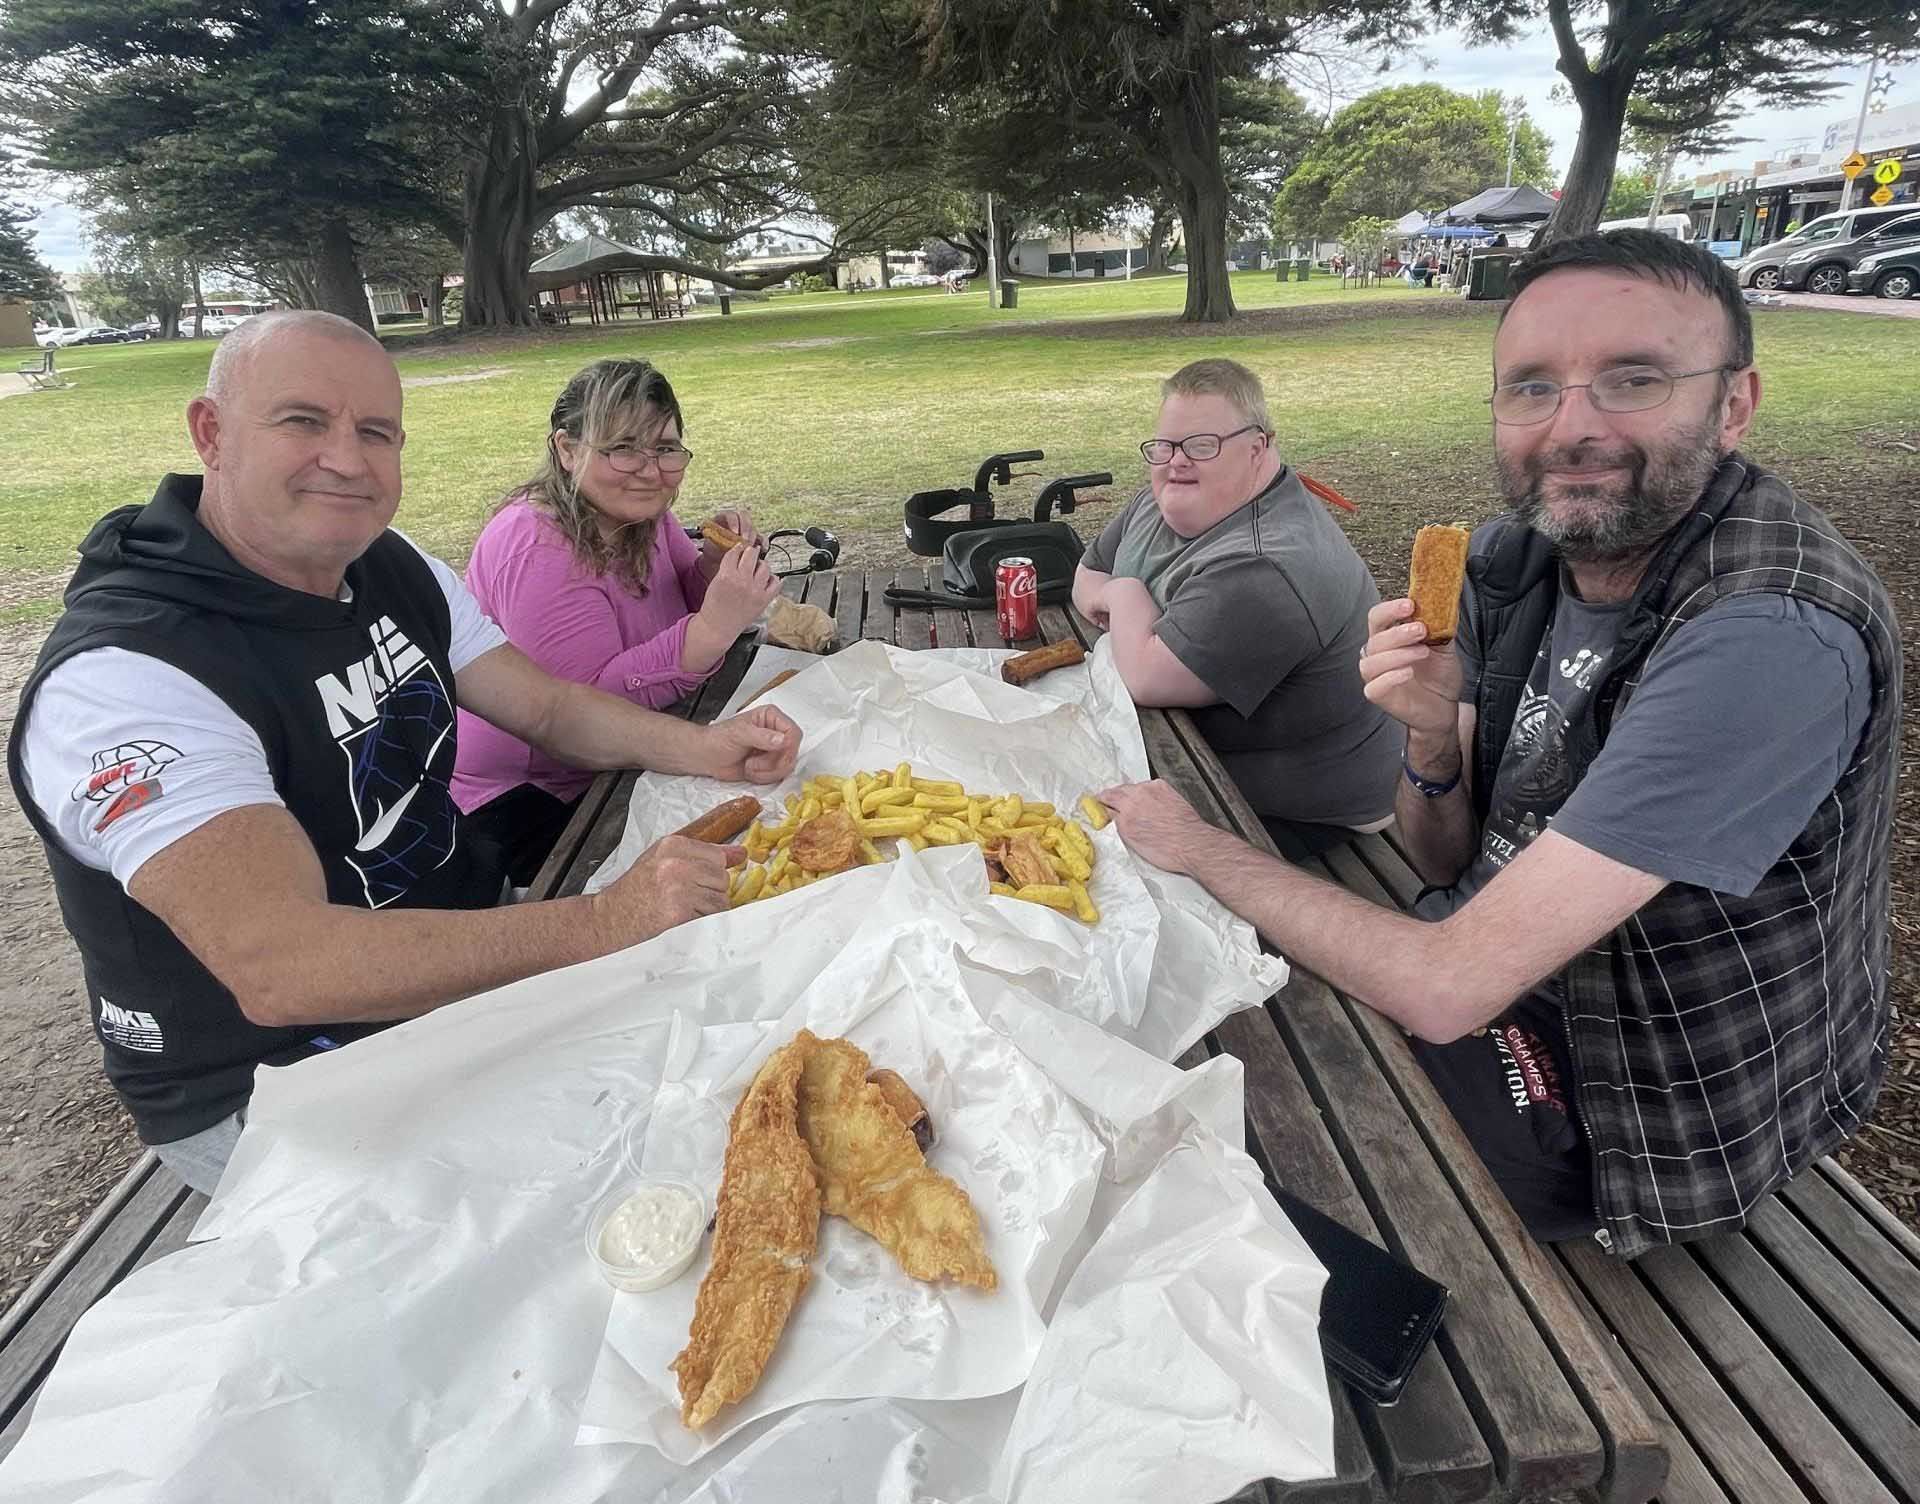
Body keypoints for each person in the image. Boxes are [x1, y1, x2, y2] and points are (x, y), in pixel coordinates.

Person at [1099, 232, 1898, 1257]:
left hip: (1643, 1100)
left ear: (1733, 403)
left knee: (1235, 1115)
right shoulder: (1517, 561)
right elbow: (1441, 856)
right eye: (1531, 387)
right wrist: (1431, 738)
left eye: (1632, 379)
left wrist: (1203, 844)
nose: (1573, 428)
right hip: (1503, 961)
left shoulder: (1767, 636)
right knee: (1168, 1001)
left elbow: (1444, 984)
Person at [7, 312, 801, 1194]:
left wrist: (709, 748)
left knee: (761, 1050)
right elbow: (285, 967)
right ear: (212, 433)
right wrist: (608, 920)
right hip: (283, 1078)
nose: (347, 459)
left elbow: (544, 704)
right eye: (303, 421)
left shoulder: (388, 564)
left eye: (376, 432)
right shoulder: (128, 677)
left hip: (473, 945)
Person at [451, 359, 779, 887]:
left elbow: (675, 597)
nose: (650, 471)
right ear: (567, 449)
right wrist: (712, 630)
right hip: (535, 799)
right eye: (622, 447)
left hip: (634, 755)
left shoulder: (642, 515)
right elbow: (582, 715)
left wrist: (713, 572)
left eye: (666, 448)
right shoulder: (537, 544)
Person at [1072, 358, 1400, 857]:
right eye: (1164, 446)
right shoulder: (1162, 499)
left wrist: (1122, 596)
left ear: (1258, 448)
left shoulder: (1267, 564)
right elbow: (1084, 574)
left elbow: (1144, 679)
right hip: (1191, 751)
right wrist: (1123, 615)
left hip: (1296, 812)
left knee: (1083, 840)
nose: (1176, 462)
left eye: (1203, 446)